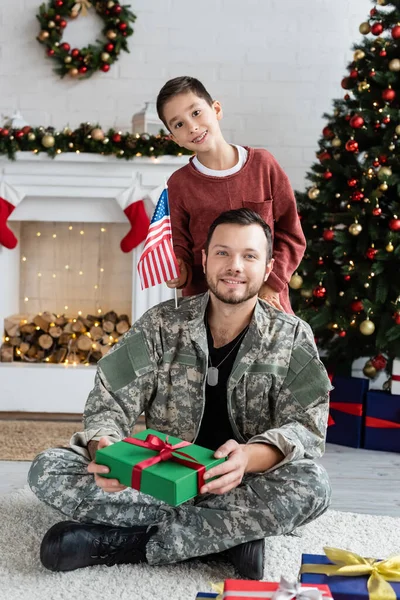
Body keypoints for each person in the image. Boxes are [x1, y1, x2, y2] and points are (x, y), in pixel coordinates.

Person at [28, 209, 331, 581]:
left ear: (268, 268)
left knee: (312, 485)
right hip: (159, 481)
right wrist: (106, 453)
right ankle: (231, 539)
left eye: (249, 256)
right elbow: (109, 401)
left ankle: (130, 544)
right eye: (222, 253)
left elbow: (307, 426)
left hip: (244, 484)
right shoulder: (160, 324)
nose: (234, 266)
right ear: (204, 259)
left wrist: (247, 458)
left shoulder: (292, 336)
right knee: (48, 469)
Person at [156, 76, 306, 313]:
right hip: (206, 309)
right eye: (179, 124)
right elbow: (180, 245)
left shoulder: (263, 165)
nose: (192, 127)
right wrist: (180, 269)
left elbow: (291, 235)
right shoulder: (179, 183)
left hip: (264, 300)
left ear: (216, 109)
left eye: (196, 113)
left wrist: (271, 284)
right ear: (174, 139)